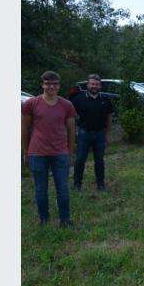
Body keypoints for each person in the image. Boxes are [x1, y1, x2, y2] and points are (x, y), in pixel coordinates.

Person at [21, 71, 77, 227]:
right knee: (40, 189)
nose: (51, 86)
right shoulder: (31, 104)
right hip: (37, 153)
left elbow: (72, 131)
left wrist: (70, 153)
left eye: (54, 84)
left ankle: (65, 220)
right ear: (42, 84)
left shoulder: (67, 105)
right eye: (47, 83)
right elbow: (24, 129)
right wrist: (26, 153)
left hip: (60, 153)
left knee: (63, 189)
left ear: (59, 86)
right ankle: (43, 220)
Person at [71, 73, 114, 191]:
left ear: (100, 86)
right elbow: (72, 117)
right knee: (80, 159)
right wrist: (74, 132)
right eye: (92, 84)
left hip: (100, 134)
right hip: (84, 134)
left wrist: (107, 134)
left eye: (96, 84)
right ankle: (77, 184)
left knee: (99, 160)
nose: (94, 86)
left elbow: (109, 117)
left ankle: (100, 183)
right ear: (88, 85)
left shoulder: (105, 100)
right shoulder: (78, 99)